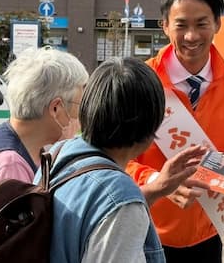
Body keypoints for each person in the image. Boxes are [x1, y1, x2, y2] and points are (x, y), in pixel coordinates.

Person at [126, 0, 224, 263]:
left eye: (201, 24)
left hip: (208, 232)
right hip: (147, 233)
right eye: (181, 25)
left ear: (217, 24)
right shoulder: (141, 82)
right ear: (164, 26)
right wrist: (158, 181)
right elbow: (116, 159)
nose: (191, 36)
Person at [34, 57, 208, 262]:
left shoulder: (58, 154)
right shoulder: (122, 203)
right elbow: (114, 209)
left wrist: (156, 189)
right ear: (151, 125)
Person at [0, 46, 88, 207]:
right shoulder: (10, 166)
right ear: (56, 108)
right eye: (79, 105)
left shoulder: (20, 143)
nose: (79, 115)